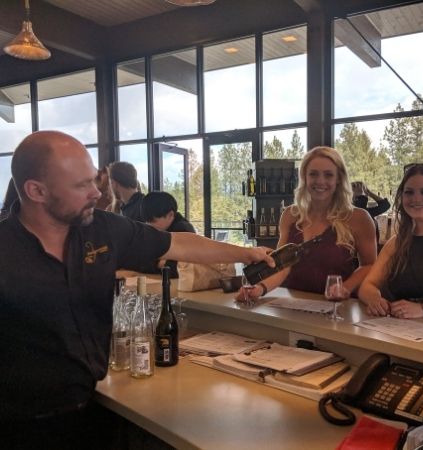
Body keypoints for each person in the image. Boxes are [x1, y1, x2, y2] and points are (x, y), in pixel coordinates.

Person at [0, 131, 274, 449]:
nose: (96, 193)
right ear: (36, 191)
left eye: (94, 181)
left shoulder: (103, 229)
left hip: (92, 406)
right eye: (81, 185)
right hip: (19, 425)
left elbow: (178, 243)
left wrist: (246, 254)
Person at [237, 146, 377, 301]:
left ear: (339, 179)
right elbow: (282, 266)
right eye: (313, 174)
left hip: (336, 307)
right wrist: (260, 289)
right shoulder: (290, 215)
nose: (320, 181)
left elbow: (369, 265)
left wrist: (345, 288)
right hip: (293, 305)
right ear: (304, 177)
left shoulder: (358, 218)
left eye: (328, 175)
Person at [359, 163, 423, 319]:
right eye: (409, 192)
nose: (416, 198)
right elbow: (367, 286)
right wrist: (375, 299)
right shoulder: (396, 243)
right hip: (402, 334)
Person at [351, 181, 390, 246]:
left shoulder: (367, 212)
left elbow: (385, 205)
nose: (362, 194)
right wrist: (360, 197)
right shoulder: (347, 212)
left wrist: (369, 193)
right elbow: (360, 211)